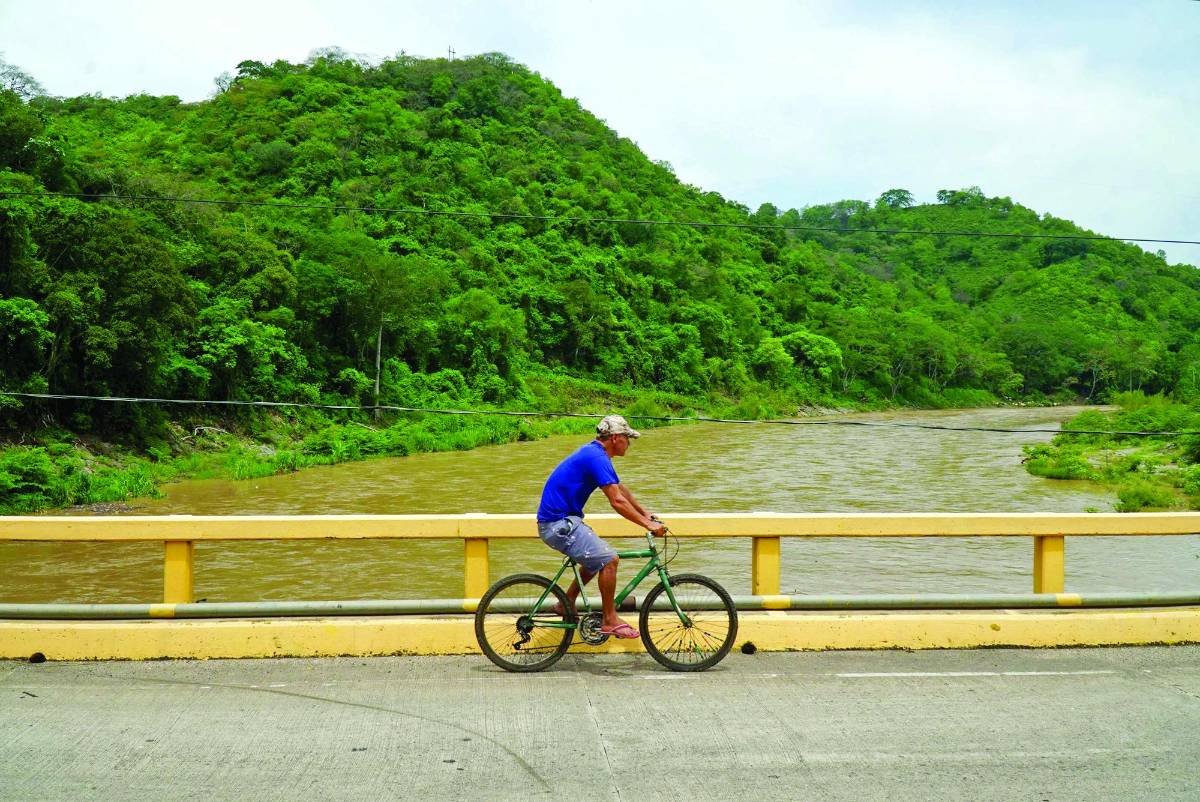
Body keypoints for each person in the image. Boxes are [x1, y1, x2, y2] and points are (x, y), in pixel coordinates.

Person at [536, 414, 667, 639]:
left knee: (595, 558)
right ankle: (609, 619)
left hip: (565, 521)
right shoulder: (596, 457)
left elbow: (620, 489)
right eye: (628, 438)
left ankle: (566, 601)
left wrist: (645, 513)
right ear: (616, 438)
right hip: (558, 524)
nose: (630, 443)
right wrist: (647, 524)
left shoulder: (596, 454)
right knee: (609, 559)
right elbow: (616, 501)